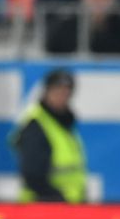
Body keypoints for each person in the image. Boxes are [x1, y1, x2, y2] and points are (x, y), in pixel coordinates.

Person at [11, 69, 86, 203]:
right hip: (42, 206)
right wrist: (59, 199)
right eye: (57, 91)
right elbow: (33, 176)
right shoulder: (36, 125)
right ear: (46, 91)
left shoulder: (65, 122)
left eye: (66, 92)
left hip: (69, 204)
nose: (62, 97)